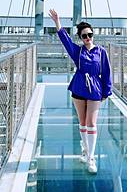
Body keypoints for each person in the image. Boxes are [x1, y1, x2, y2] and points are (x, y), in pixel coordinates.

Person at [48, 9, 112, 174]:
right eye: (84, 36)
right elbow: (65, 40)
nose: (88, 38)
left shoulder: (101, 52)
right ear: (81, 38)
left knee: (92, 123)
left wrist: (106, 92)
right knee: (83, 122)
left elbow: (106, 72)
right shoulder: (78, 52)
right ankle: (85, 150)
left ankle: (91, 157)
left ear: (93, 35)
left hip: (95, 89)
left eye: (90, 34)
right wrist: (57, 22)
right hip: (79, 87)